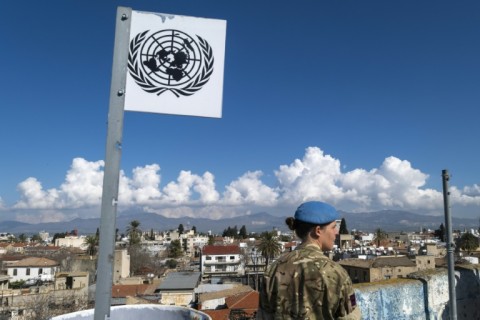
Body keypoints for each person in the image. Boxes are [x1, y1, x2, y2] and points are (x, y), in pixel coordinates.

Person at [257, 201, 361, 319]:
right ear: (318, 231)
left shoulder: (274, 269)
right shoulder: (336, 272)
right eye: (333, 227)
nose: (336, 232)